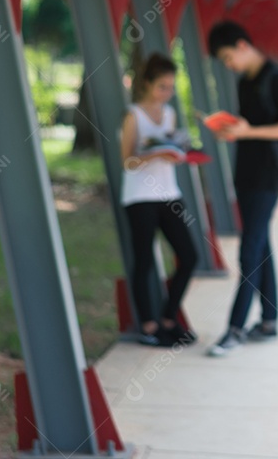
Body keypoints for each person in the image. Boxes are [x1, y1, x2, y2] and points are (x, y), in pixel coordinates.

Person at [205, 21, 278, 356]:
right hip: (246, 176)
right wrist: (234, 130)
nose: (228, 64)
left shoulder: (276, 79)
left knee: (249, 251)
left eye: (227, 56)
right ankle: (268, 321)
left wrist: (248, 133)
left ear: (242, 45)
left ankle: (234, 329)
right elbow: (252, 126)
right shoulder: (246, 81)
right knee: (260, 247)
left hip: (266, 179)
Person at [120, 53, 199, 347]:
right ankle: (149, 326)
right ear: (148, 84)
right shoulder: (133, 116)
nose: (168, 92)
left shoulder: (169, 115)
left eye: (171, 87)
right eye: (163, 86)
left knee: (189, 256)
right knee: (144, 261)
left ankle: (168, 318)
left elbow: (170, 149)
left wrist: (176, 154)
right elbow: (127, 161)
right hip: (140, 196)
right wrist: (154, 153)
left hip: (168, 193)